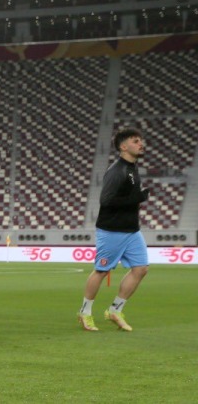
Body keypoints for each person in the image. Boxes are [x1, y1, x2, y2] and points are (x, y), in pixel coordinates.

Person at [79, 128, 151, 332]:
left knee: (141, 268)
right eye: (135, 141)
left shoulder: (132, 168)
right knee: (102, 271)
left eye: (141, 140)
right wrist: (137, 198)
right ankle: (85, 313)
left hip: (131, 230)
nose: (141, 144)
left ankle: (115, 310)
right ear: (123, 146)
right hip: (112, 231)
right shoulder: (117, 170)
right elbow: (106, 200)